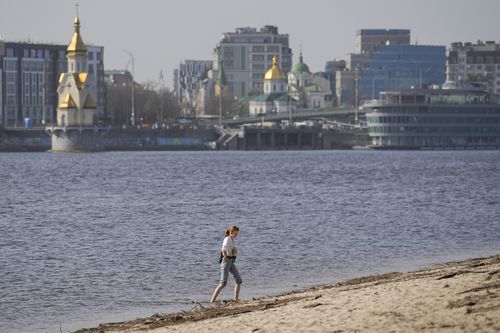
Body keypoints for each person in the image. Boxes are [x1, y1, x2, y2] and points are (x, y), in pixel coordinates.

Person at [210, 225, 242, 303]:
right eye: (235, 234)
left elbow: (229, 249)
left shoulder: (231, 239)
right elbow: (223, 248)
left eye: (237, 234)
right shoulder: (227, 239)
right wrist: (225, 256)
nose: (236, 235)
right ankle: (212, 300)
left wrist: (234, 253)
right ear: (231, 232)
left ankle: (236, 299)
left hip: (231, 261)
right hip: (226, 261)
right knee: (223, 283)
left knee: (239, 280)